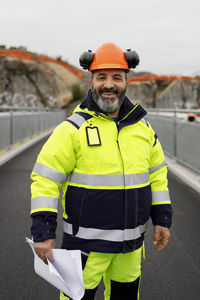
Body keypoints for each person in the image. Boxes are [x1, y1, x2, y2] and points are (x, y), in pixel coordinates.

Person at [30, 43, 172, 300]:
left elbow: (157, 175)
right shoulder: (72, 129)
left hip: (130, 250)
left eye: (117, 77)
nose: (109, 84)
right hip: (84, 252)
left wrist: (162, 219)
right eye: (101, 77)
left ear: (126, 81)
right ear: (92, 81)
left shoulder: (143, 129)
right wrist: (43, 232)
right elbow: (45, 180)